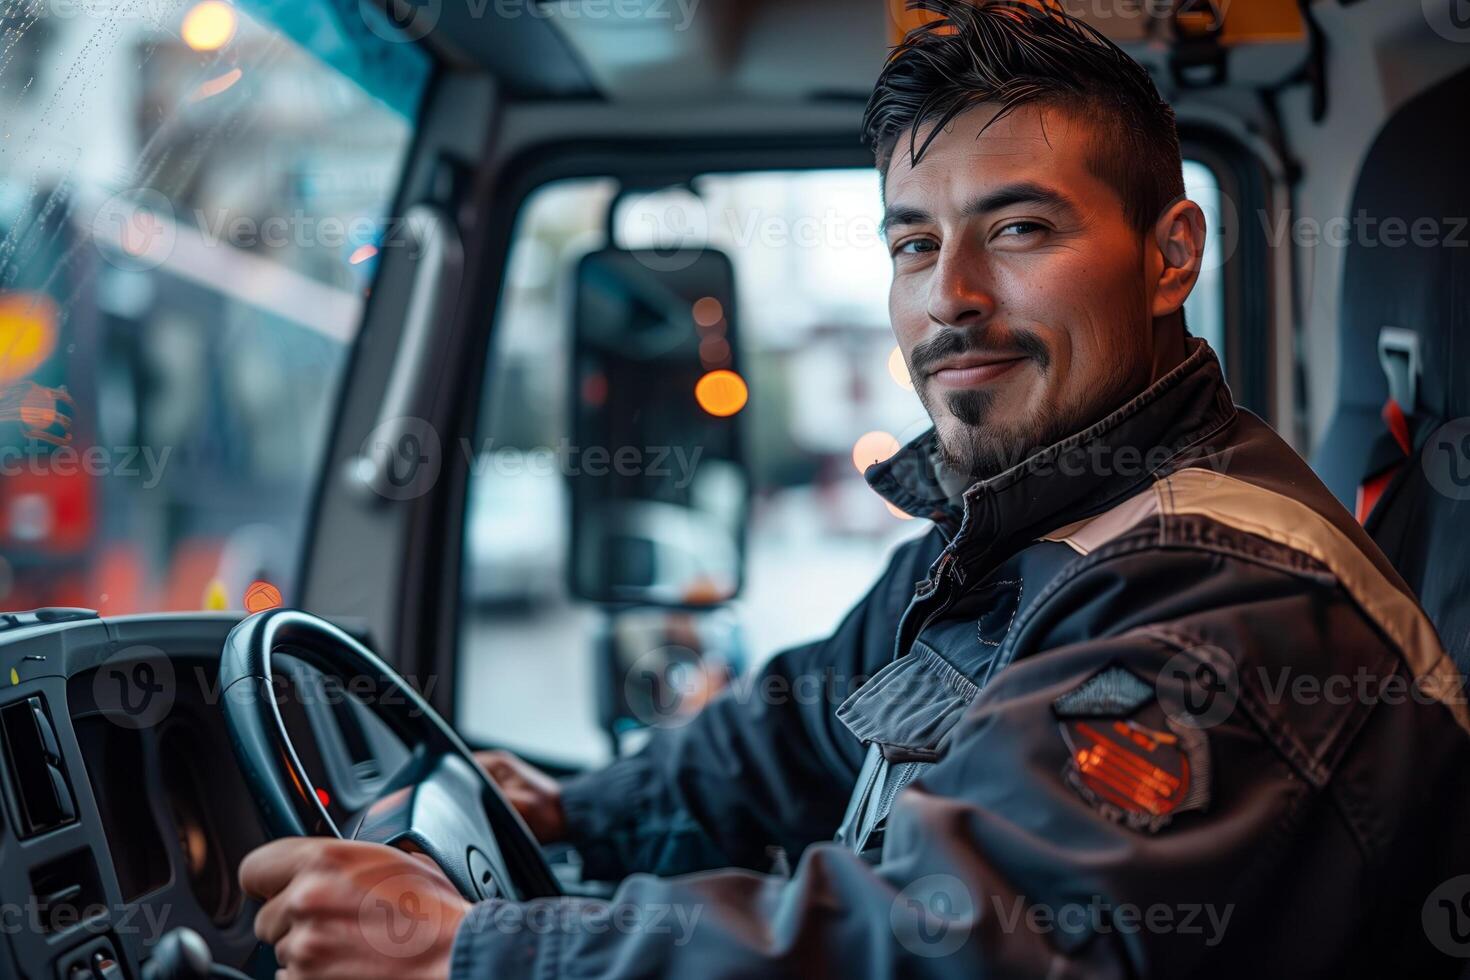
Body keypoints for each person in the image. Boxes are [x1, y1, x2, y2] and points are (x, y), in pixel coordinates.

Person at [238, 2, 1470, 975]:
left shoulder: (1224, 595)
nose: (952, 294)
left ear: (1170, 256)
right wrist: (572, 810)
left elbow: (967, 941)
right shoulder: (1026, 523)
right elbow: (800, 720)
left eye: (1022, 228)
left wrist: (475, 948)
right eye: (914, 242)